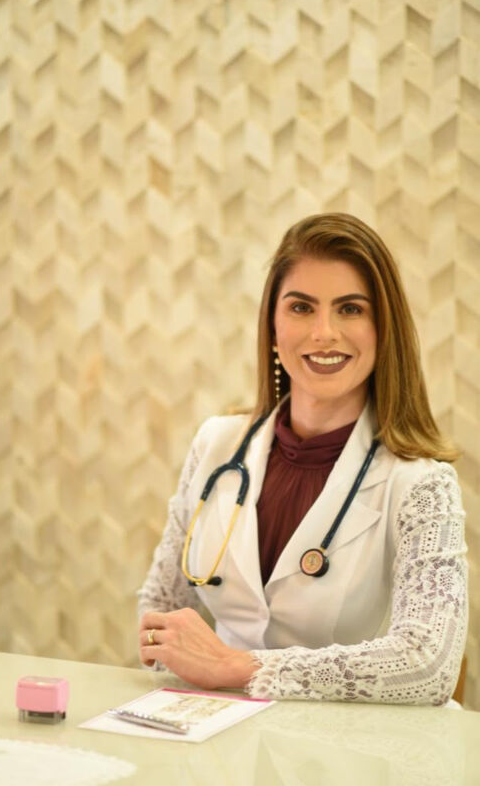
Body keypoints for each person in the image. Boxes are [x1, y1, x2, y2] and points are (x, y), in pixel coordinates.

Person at [137, 213, 468, 704]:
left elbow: (429, 664)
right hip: (219, 735)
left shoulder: (421, 485)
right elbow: (161, 605)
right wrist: (176, 669)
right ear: (273, 328)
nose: (323, 332)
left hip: (353, 747)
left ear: (383, 329)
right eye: (301, 307)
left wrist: (240, 668)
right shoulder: (215, 445)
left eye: (350, 309)